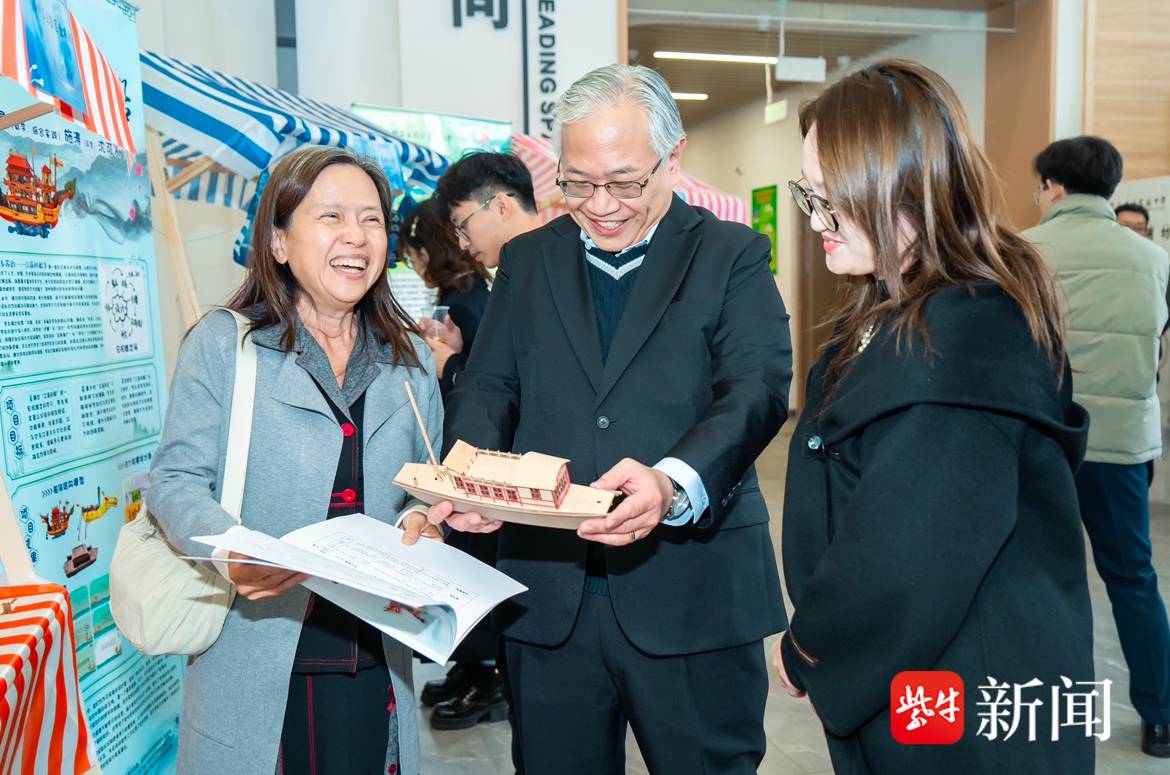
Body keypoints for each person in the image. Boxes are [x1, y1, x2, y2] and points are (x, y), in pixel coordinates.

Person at [424, 63, 792, 774]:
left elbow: (756, 389)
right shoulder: (528, 261)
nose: (600, 205)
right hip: (548, 598)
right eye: (578, 182)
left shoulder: (731, 255)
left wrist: (673, 481)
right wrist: (470, 476)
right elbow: (489, 386)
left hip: (693, 596)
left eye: (624, 182)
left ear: (673, 159)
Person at [775, 60, 1095, 773]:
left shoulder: (962, 340)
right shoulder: (903, 307)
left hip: (963, 700)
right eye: (809, 195)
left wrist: (810, 647)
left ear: (905, 189)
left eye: (833, 200)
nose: (816, 220)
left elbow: (904, 559)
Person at [146, 145, 444, 775]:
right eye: (331, 216)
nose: (356, 236)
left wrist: (423, 518)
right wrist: (231, 551)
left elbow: (427, 480)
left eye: (371, 219)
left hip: (374, 651)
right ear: (279, 241)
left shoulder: (410, 359)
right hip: (259, 647)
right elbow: (174, 480)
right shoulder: (224, 345)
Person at [1025, 135, 1170, 759]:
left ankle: (1041, 713)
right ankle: (1161, 719)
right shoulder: (1153, 258)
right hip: (1122, 446)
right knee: (1133, 578)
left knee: (1035, 579)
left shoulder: (1023, 252)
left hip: (1042, 442)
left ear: (1054, 187)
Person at [399, 197, 491, 398]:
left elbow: (476, 385)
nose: (413, 265)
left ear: (424, 253)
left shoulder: (456, 309)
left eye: (410, 257)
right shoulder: (477, 293)